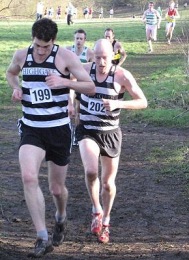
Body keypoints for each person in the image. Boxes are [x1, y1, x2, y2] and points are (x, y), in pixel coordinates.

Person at [6, 18, 95, 258]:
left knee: (56, 189)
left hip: (58, 130)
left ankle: (61, 217)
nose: (41, 50)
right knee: (28, 176)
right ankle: (42, 237)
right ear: (32, 40)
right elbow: (11, 73)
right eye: (37, 46)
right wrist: (16, 87)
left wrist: (64, 82)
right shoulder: (22, 55)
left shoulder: (65, 57)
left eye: (46, 46)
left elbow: (90, 87)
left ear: (53, 42)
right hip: (32, 127)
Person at [75, 39, 148, 244]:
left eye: (104, 57)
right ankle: (96, 209)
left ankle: (106, 220)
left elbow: (143, 101)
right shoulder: (84, 70)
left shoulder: (122, 75)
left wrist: (118, 103)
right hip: (88, 129)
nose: (100, 62)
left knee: (107, 183)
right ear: (93, 56)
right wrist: (69, 102)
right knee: (90, 171)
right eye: (97, 57)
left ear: (112, 56)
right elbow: (68, 80)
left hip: (110, 133)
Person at [66, 29, 94, 146]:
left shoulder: (89, 53)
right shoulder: (67, 50)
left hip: (81, 85)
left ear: (84, 40)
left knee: (78, 111)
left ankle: (76, 135)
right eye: (76, 38)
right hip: (68, 85)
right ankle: (66, 134)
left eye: (81, 39)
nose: (78, 41)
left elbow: (93, 69)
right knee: (67, 110)